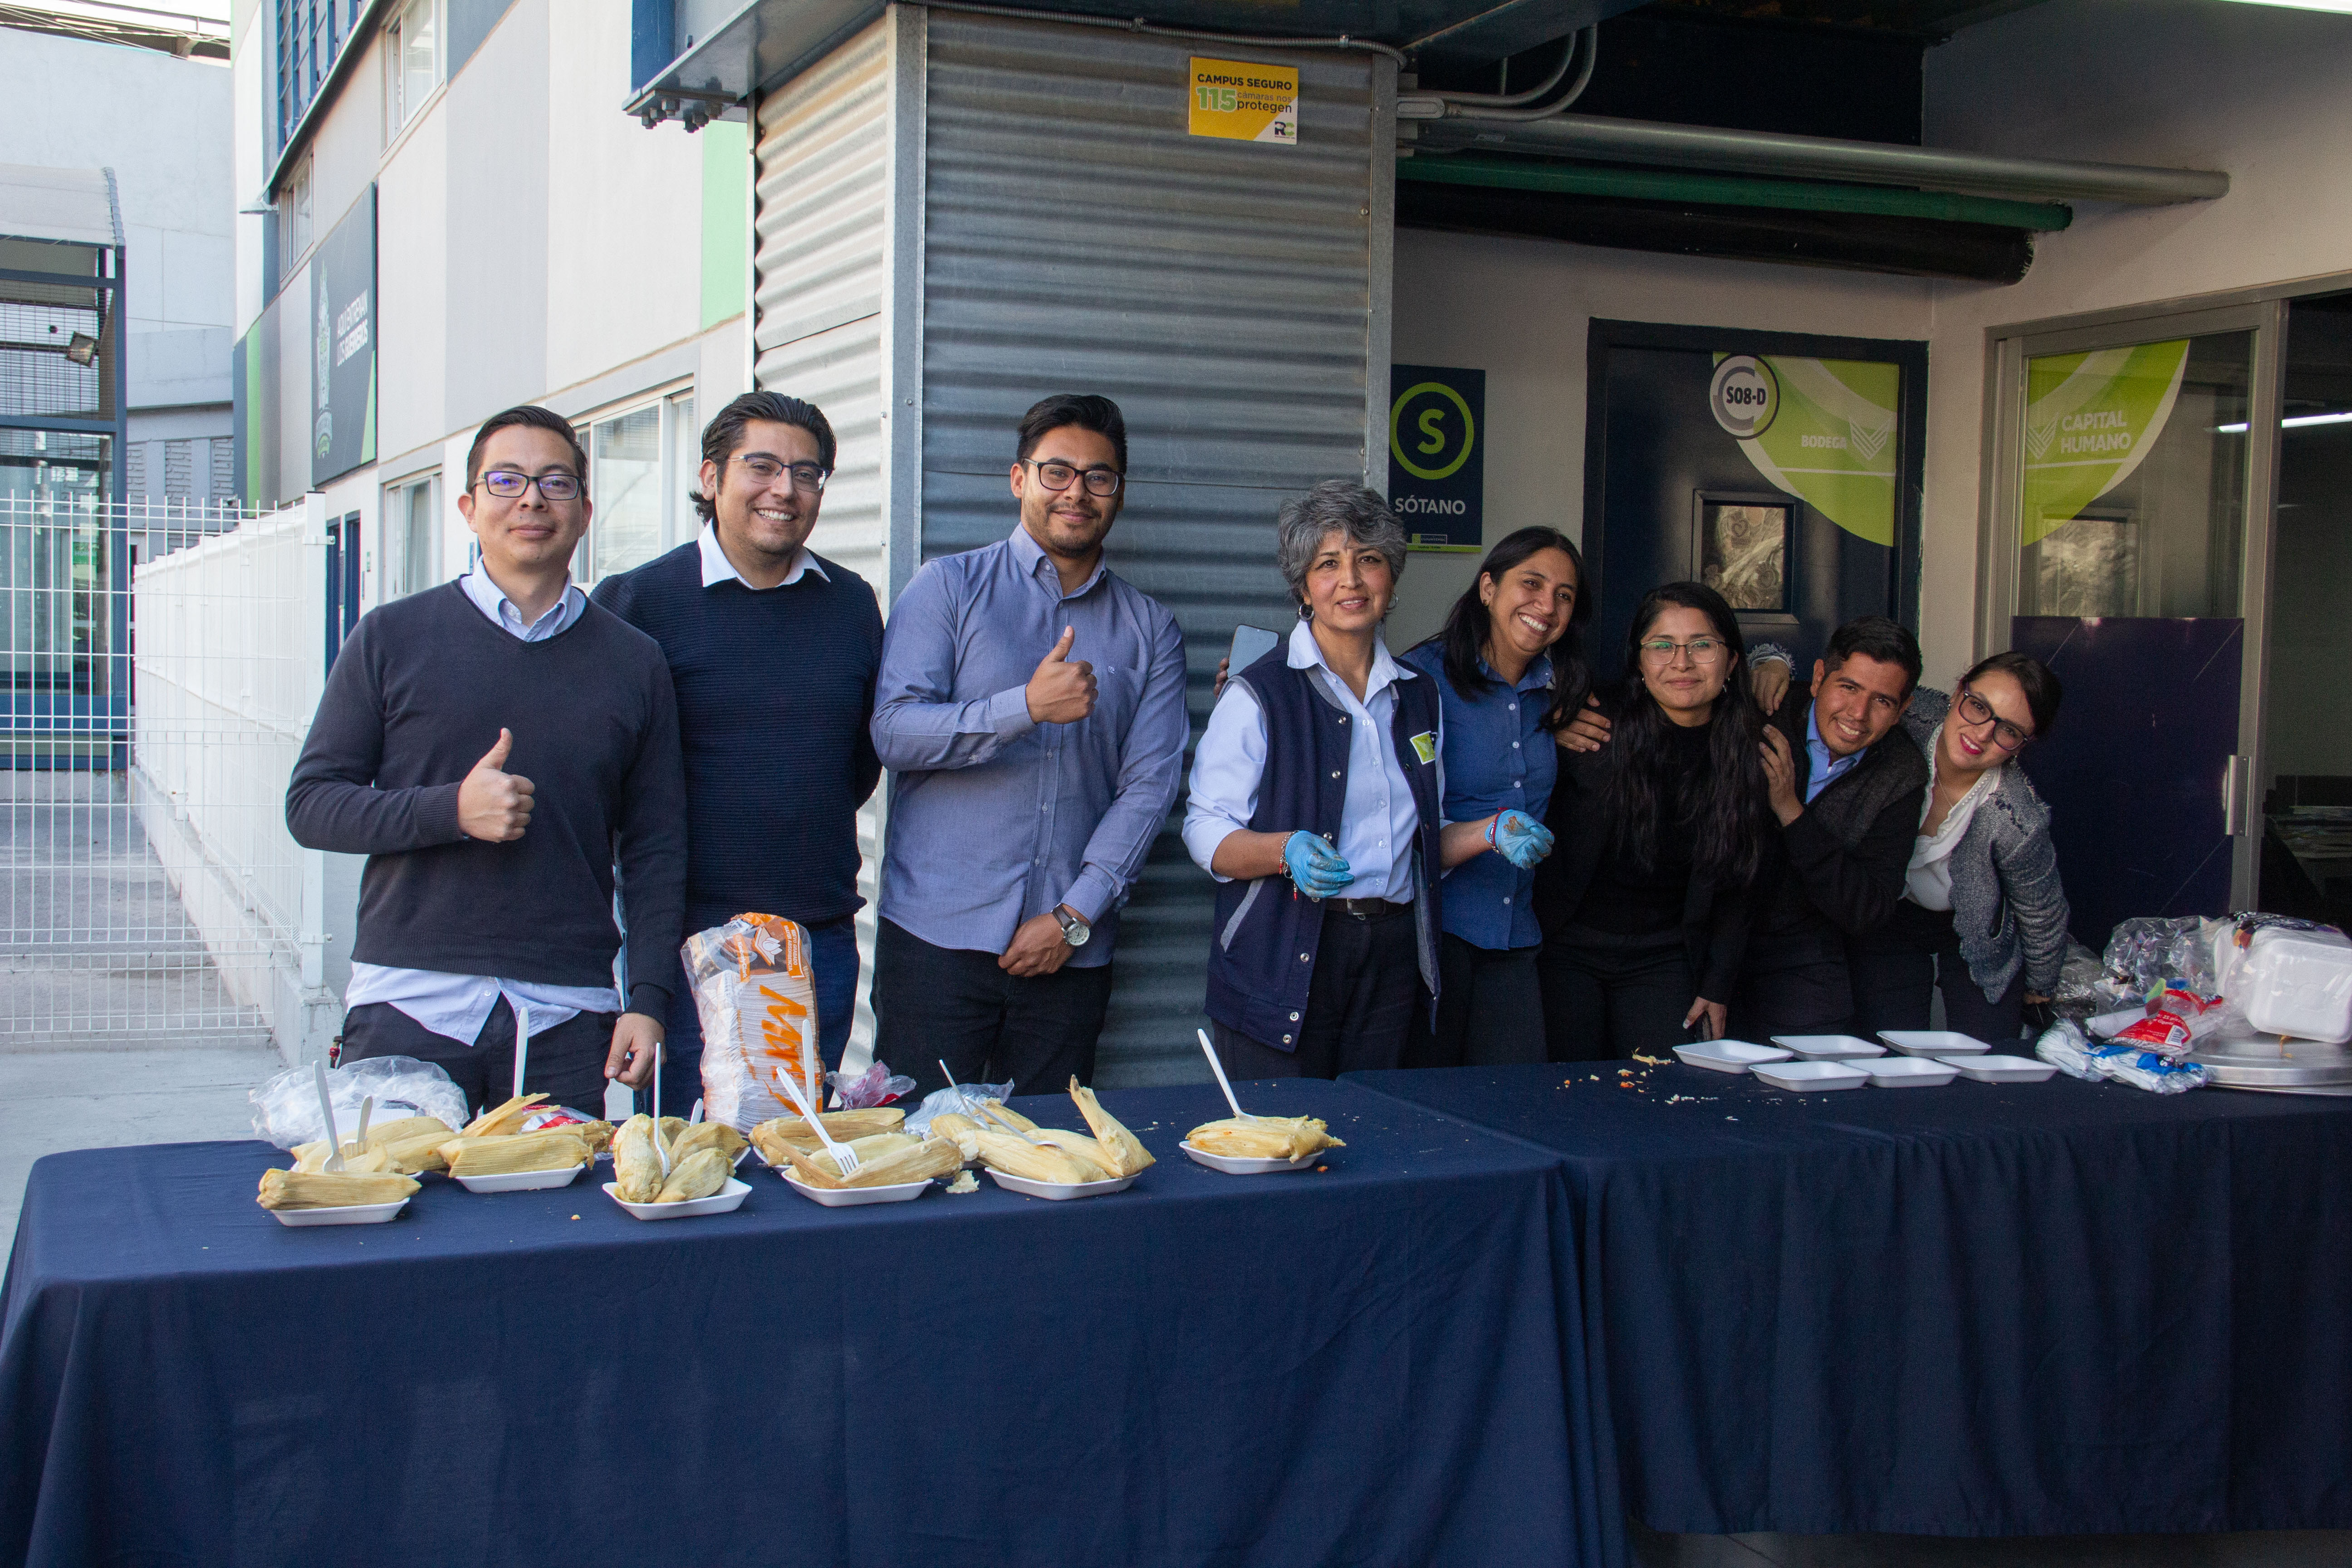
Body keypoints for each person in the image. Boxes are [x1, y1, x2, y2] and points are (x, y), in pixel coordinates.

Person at [286, 406, 682, 1114]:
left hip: (566, 1012)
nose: (531, 499)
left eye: (556, 483)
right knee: (398, 1215)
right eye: (507, 480)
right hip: (410, 1001)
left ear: (586, 512)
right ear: (469, 508)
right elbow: (312, 804)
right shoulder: (393, 637)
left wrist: (647, 999)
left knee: (552, 1218)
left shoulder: (634, 661)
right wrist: (450, 811)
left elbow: (655, 847)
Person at [869, 393, 1187, 1097]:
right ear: (1020, 480)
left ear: (1119, 493)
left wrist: (1074, 919)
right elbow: (893, 732)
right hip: (936, 943)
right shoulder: (946, 589)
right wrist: (1024, 708)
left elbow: (1151, 787)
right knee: (918, 1154)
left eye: (1098, 477)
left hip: (1070, 953)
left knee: (1052, 1160)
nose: (1077, 491)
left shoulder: (1150, 628)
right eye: (1057, 472)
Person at [593, 392, 883, 1114]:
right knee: (690, 1155)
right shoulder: (638, 602)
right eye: (763, 467)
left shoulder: (851, 604)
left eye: (807, 473)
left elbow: (856, 761)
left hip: (817, 936)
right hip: (691, 940)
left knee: (801, 1142)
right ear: (711, 477)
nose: (785, 489)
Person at [1184, 480, 1442, 1079]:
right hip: (1286, 950)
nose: (1350, 580)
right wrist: (1284, 849)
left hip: (1392, 955)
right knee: (1281, 1142)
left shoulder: (1418, 695)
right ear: (1303, 587)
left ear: (1392, 579)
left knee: (1373, 1136)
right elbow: (1203, 831)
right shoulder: (1259, 692)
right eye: (1329, 564)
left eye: (1369, 560)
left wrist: (1495, 830)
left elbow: (1424, 830)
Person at [1533, 582, 1767, 1061]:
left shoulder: (1749, 747)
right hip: (1568, 947)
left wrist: (1717, 984)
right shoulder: (1592, 724)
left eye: (1702, 645)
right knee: (1568, 1096)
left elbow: (1742, 881)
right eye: (1662, 646)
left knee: (1661, 1097)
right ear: (1639, 662)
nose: (1681, 663)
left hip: (1664, 956)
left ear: (1733, 661)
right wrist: (1548, 730)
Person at [1396, 527, 1589, 1068]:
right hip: (1435, 938)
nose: (1546, 606)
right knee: (1429, 1114)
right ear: (1488, 588)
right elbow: (1385, 813)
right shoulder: (1421, 680)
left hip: (1515, 937)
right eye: (1531, 583)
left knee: (1516, 1109)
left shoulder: (1563, 690)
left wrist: (1769, 665)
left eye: (1564, 595)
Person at [1847, 651, 2070, 1043]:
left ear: (2021, 746)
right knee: (1889, 1051)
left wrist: (2040, 988)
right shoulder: (1909, 716)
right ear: (1958, 693)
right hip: (1888, 915)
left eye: (2010, 731)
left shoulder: (2017, 816)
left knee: (1986, 1059)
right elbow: (1843, 688)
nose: (1981, 733)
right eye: (1978, 706)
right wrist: (1773, 664)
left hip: (1974, 929)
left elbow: (2042, 909)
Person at [1731, 616, 1931, 1038]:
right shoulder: (1768, 710)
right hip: (1714, 932)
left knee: (1817, 1073)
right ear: (1819, 677)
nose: (1858, 715)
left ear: (1903, 711)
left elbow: (1868, 908)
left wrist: (1791, 812)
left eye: (1883, 701)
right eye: (1849, 688)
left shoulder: (1901, 772)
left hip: (1805, 945)